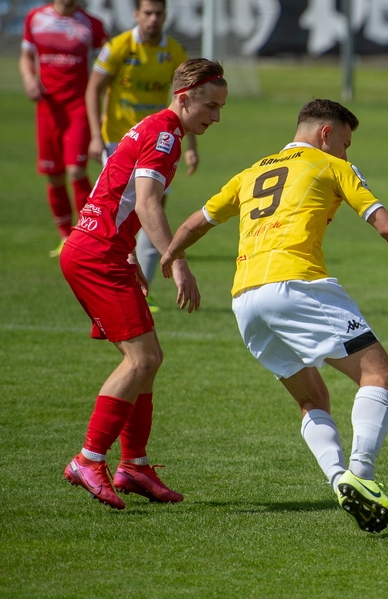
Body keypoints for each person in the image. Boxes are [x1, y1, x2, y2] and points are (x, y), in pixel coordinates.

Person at [160, 99, 388, 534]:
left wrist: (171, 255)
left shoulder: (252, 171)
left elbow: (196, 222)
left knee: (312, 398)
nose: (346, 153)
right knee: (380, 376)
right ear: (325, 134)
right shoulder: (330, 165)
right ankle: (362, 474)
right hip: (296, 285)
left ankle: (340, 481)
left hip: (245, 301)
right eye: (345, 142)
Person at [60, 59, 227, 510]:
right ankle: (88, 458)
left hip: (102, 249)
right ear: (184, 96)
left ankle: (133, 465)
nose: (215, 117)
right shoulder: (166, 133)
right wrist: (176, 261)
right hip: (97, 254)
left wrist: (130, 250)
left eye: (220, 108)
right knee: (144, 358)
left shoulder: (153, 128)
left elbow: (119, 194)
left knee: (147, 361)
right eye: (210, 106)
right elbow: (150, 203)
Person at [86, 0, 194, 311]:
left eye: (159, 13)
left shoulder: (174, 52)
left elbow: (188, 105)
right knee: (126, 211)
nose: (153, 19)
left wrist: (191, 149)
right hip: (120, 143)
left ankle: (142, 288)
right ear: (136, 15)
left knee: (152, 211)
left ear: (165, 15)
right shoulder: (118, 47)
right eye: (147, 13)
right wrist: (95, 134)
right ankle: (114, 281)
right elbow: (94, 89)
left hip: (159, 144)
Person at [19, 0, 107, 257]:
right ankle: (65, 238)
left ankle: (86, 233)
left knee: (76, 170)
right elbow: (26, 56)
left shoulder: (93, 25)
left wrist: (101, 112)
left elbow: (107, 70)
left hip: (79, 107)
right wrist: (29, 79)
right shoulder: (36, 18)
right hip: (48, 109)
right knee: (54, 174)